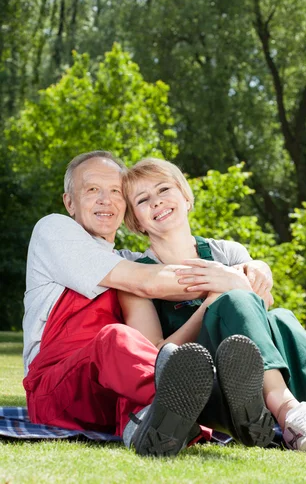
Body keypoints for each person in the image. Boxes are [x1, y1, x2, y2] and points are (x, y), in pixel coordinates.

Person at [119, 157, 306, 453]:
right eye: (143, 199)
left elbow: (261, 310)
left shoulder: (228, 252)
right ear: (135, 220)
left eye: (164, 189)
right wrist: (212, 300)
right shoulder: (136, 275)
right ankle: (290, 415)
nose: (157, 202)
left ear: (185, 196)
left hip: (256, 380)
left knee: (282, 317)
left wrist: (252, 272)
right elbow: (155, 355)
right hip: (205, 387)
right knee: (233, 299)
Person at [22, 150, 275, 458]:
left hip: (116, 390)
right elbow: (149, 281)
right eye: (92, 190)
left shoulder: (125, 259)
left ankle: (154, 425)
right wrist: (234, 278)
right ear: (69, 203)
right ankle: (220, 414)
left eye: (115, 191)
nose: (105, 199)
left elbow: (163, 270)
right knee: (118, 338)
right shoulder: (55, 232)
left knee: (140, 348)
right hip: (56, 388)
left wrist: (255, 264)